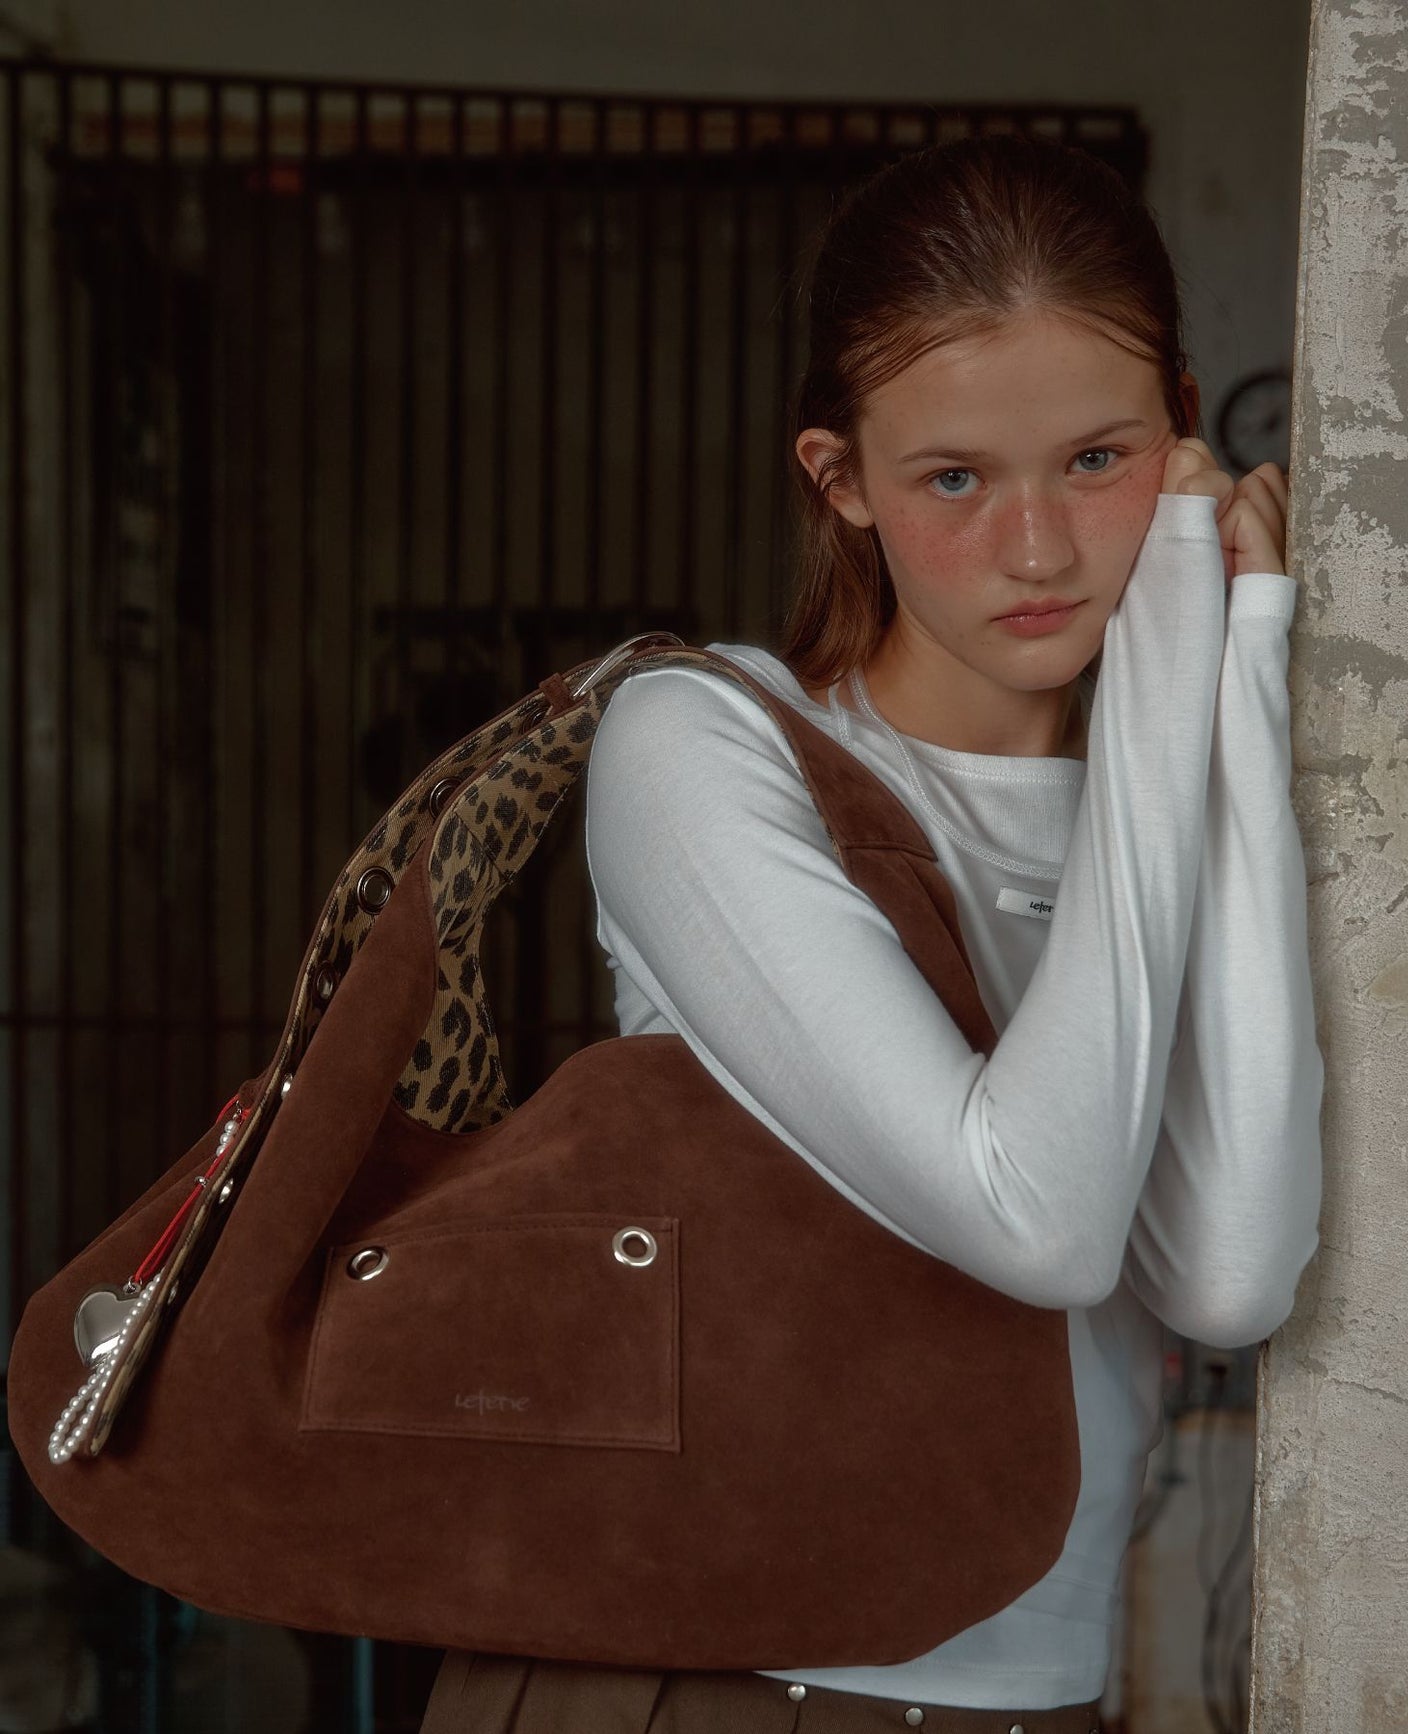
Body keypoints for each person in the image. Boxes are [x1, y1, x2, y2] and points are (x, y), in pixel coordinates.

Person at [431, 132, 1323, 1732]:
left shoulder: (1179, 750)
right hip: (685, 1680)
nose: (1038, 550)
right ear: (839, 479)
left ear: (1180, 425)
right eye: (954, 479)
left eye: (1100, 460)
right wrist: (1182, 633)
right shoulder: (708, 747)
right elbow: (1036, 1214)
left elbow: (1230, 1268)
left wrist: (1235, 665)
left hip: (1032, 1692)